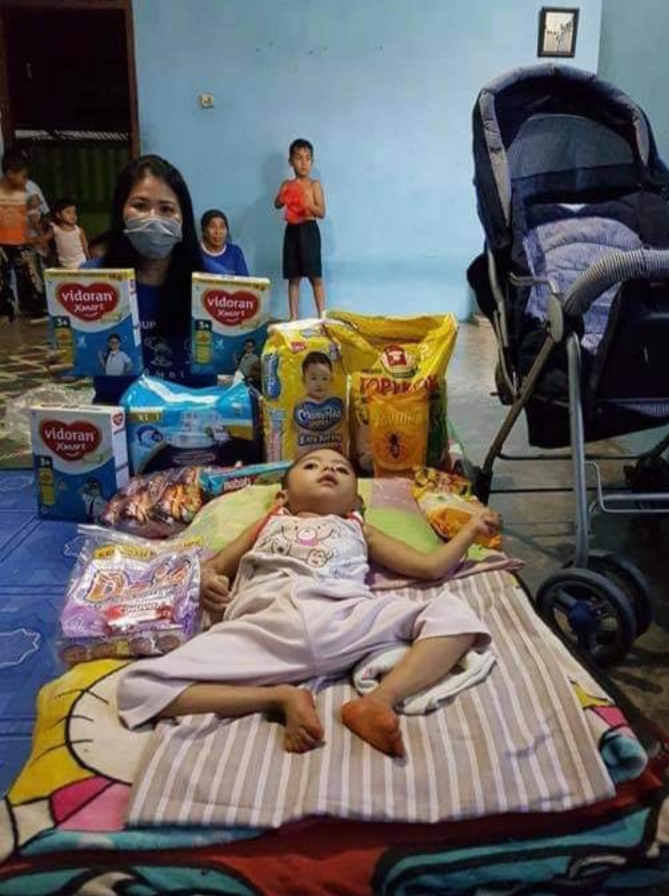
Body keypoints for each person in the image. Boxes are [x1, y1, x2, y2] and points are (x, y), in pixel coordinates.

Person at [117, 448, 500, 758]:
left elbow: (430, 567)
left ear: (356, 501)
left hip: (345, 617)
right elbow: (213, 567)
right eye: (312, 465)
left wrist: (470, 531)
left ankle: (379, 702)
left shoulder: (358, 527)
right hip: (264, 626)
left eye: (341, 469)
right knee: (138, 687)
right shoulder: (269, 522)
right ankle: (280, 697)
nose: (328, 469)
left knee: (453, 614)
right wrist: (210, 583)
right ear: (283, 495)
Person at [48, 155, 214, 403]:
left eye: (166, 209)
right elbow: (76, 356)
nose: (152, 217)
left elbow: (238, 360)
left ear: (184, 217)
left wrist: (257, 367)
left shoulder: (213, 282)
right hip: (117, 420)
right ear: (121, 210)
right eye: (140, 205)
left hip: (194, 419)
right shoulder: (89, 282)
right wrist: (65, 364)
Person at [274, 139, 326, 319]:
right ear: (291, 161)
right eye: (299, 158)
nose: (304, 163)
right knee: (293, 276)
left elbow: (322, 212)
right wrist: (283, 195)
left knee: (315, 276)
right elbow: (277, 204)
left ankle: (322, 316)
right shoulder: (287, 184)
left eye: (307, 158)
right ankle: (293, 317)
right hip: (292, 231)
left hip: (309, 230)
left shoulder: (314, 185)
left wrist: (308, 204)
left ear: (312, 161)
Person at [0, 148, 45, 319]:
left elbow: (24, 218)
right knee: (2, 279)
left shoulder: (22, 192)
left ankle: (33, 308)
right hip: (2, 243)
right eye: (23, 176)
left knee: (29, 275)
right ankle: (5, 310)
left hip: (21, 242)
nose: (26, 181)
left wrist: (33, 238)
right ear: (10, 174)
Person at [199, 209, 249, 276]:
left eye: (222, 227)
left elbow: (244, 280)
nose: (218, 232)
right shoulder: (194, 252)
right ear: (204, 231)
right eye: (212, 226)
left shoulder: (235, 252)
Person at [45, 198, 89, 269]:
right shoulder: (55, 229)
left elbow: (85, 247)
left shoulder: (79, 230)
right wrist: (31, 240)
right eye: (68, 212)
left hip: (81, 263)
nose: (73, 215)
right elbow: (44, 238)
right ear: (58, 215)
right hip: (64, 265)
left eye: (74, 213)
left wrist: (89, 262)